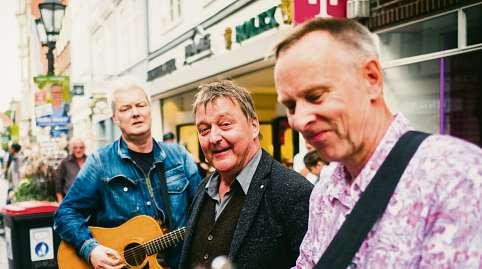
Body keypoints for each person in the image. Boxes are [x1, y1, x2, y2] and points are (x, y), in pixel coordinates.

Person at [274, 18, 482, 268]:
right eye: (290, 106)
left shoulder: (456, 175)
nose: (299, 120)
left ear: (371, 79)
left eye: (315, 96)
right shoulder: (325, 190)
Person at [54, 76, 202, 269]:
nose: (135, 113)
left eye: (140, 105)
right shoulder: (101, 162)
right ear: (115, 118)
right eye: (125, 109)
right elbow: (65, 213)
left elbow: (204, 209)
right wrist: (91, 249)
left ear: (150, 109)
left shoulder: (179, 157)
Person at [178, 80, 313, 269]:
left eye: (225, 124)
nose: (214, 138)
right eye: (204, 130)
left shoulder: (294, 193)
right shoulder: (204, 188)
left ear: (254, 125)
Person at [54, 137, 87, 203]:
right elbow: (58, 182)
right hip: (70, 200)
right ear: (72, 149)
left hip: (87, 200)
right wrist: (60, 202)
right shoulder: (65, 162)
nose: (78, 150)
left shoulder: (90, 161)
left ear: (84, 148)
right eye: (75, 148)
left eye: (81, 147)